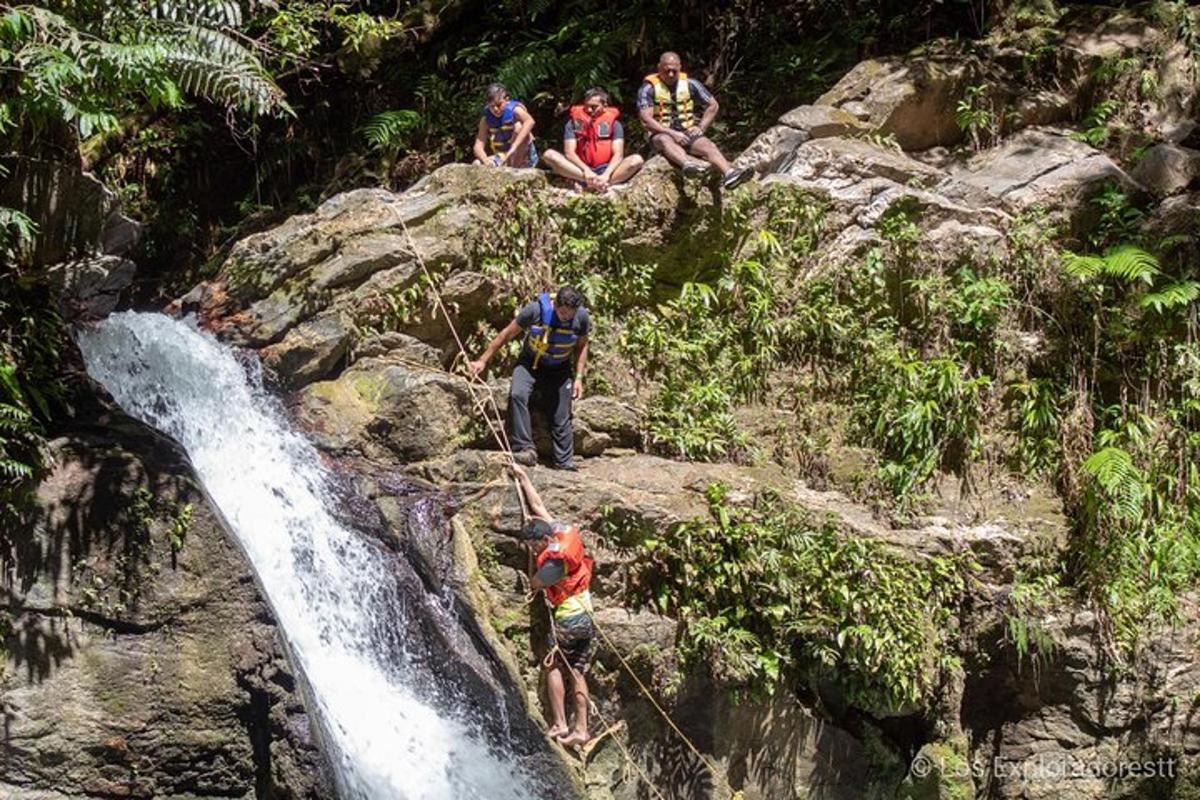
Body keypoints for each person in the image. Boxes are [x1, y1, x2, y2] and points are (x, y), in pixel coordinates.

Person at [512, 463, 596, 746]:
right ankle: (582, 730)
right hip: (587, 616)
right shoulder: (561, 532)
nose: (534, 551)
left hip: (569, 619)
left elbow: (537, 584)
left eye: (534, 546)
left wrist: (535, 571)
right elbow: (537, 506)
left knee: (553, 665)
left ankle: (560, 724)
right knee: (578, 672)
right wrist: (522, 477)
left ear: (543, 540)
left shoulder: (554, 562)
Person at [469, 286, 590, 470]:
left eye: (570, 314)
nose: (566, 317)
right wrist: (482, 361)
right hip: (530, 364)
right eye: (563, 313)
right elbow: (507, 334)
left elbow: (582, 346)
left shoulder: (581, 318)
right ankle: (525, 449)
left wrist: (579, 377)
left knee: (561, 414)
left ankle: (564, 462)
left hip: (559, 369)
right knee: (517, 395)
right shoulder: (535, 311)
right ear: (555, 305)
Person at [637, 51, 751, 191]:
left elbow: (713, 105)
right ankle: (688, 165)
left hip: (686, 132)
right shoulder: (648, 88)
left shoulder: (691, 84)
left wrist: (701, 127)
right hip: (661, 133)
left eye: (674, 70)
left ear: (680, 67)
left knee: (707, 144)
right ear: (659, 67)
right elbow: (646, 119)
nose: (671, 74)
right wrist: (672, 133)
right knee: (664, 140)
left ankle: (729, 173)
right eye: (667, 70)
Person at [542, 87, 643, 192]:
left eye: (594, 107)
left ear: (605, 105)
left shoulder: (615, 124)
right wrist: (586, 171)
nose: (589, 110)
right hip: (580, 170)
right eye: (587, 106)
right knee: (549, 155)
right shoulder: (573, 123)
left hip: (607, 169)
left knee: (636, 160)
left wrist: (606, 174)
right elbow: (569, 152)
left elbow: (618, 154)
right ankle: (594, 183)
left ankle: (599, 183)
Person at [473, 83, 538, 168]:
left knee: (519, 127)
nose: (496, 109)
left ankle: (515, 168)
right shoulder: (485, 120)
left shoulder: (515, 110)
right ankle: (507, 166)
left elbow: (530, 121)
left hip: (524, 156)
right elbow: (478, 146)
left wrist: (514, 147)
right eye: (492, 106)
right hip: (503, 156)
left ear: (506, 100)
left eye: (499, 105)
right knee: (477, 163)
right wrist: (486, 161)